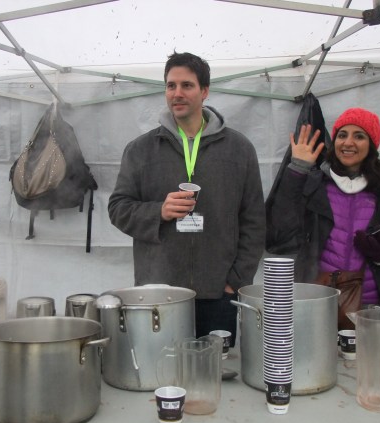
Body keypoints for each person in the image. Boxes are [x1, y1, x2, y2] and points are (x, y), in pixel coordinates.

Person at [108, 52, 266, 345]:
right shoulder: (141, 150)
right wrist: (159, 211)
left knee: (216, 370)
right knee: (161, 369)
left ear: (204, 91)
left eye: (187, 85)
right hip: (159, 293)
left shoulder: (239, 149)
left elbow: (254, 221)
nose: (177, 93)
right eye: (171, 85)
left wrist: (235, 281)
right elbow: (118, 208)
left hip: (218, 294)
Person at [266, 107, 380, 310]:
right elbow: (279, 233)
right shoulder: (315, 184)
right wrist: (297, 169)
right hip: (316, 299)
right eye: (342, 135)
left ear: (371, 144)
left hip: (368, 305)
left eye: (359, 136)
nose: (348, 143)